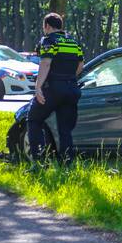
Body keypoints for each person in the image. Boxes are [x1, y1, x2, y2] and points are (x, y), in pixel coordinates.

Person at [27, 13, 84, 165]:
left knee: (34, 119)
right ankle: (67, 163)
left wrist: (38, 87)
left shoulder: (49, 41)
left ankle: (39, 161)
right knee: (65, 129)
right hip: (71, 89)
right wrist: (68, 77)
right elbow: (80, 66)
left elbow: (45, 63)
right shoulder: (73, 42)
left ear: (47, 26)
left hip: (53, 89)